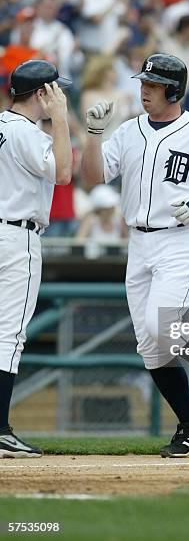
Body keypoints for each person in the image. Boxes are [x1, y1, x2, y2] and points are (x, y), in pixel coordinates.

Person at [81, 53, 189, 458]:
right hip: (139, 243)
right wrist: (93, 135)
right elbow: (91, 177)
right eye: (143, 83)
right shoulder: (129, 130)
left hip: (182, 240)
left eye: (152, 85)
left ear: (174, 89)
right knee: (152, 347)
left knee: (162, 324)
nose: (144, 90)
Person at [0, 59, 72, 457]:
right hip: (15, 236)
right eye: (56, 91)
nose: (60, 96)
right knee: (8, 334)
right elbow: (62, 174)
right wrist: (60, 120)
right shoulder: (28, 132)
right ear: (42, 93)